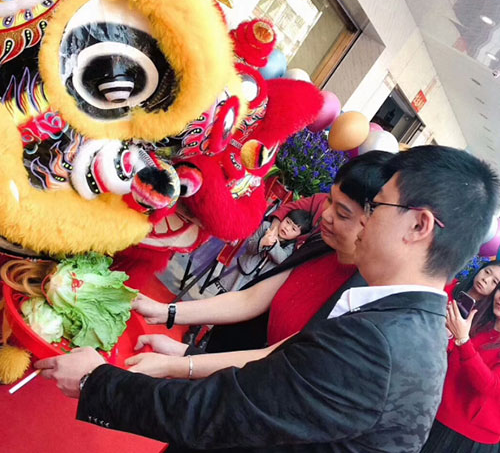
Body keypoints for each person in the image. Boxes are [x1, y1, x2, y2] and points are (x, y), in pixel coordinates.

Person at [35, 146, 499, 453]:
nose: (362, 222)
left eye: (375, 207)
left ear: (418, 225)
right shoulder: (397, 320)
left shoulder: (380, 344)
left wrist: (97, 382)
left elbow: (223, 412)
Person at [128, 150, 393, 361]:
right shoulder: (320, 246)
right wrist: (166, 312)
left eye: (343, 213)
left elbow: (277, 359)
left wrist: (185, 359)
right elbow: (251, 299)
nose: (325, 215)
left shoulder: (362, 299)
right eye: (329, 200)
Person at [421, 286, 500, 452]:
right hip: (435, 413)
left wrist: (463, 340)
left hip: (470, 436)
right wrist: (448, 332)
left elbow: (491, 386)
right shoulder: (480, 321)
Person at [212, 208, 312, 294]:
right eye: (287, 222)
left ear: (298, 235)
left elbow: (282, 260)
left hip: (258, 282)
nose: (287, 228)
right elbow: (249, 245)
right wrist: (262, 242)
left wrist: (274, 245)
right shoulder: (266, 227)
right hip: (242, 270)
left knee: (241, 304)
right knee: (223, 296)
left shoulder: (291, 246)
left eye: (293, 229)